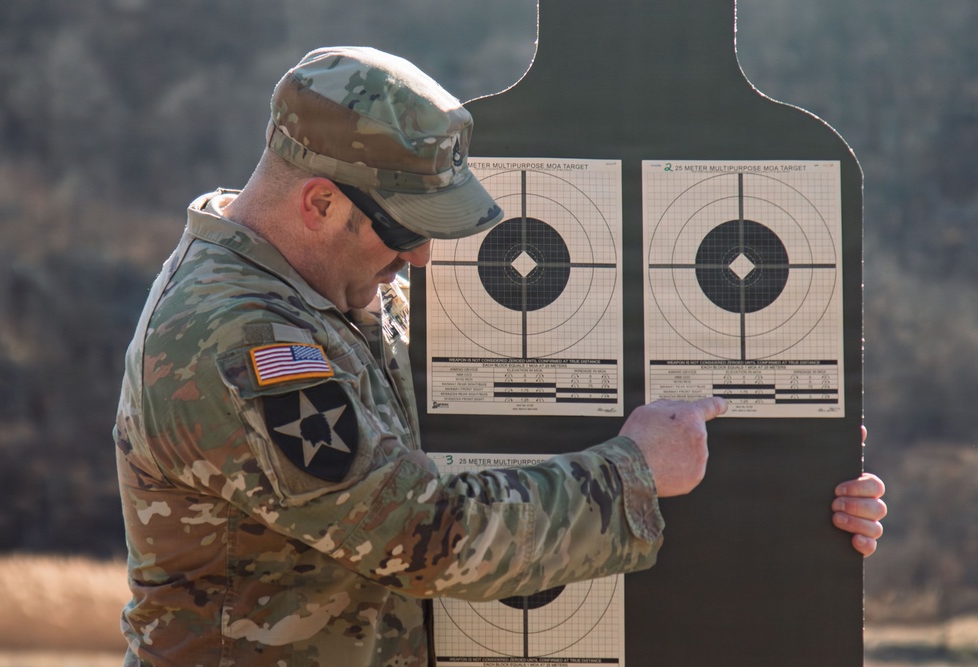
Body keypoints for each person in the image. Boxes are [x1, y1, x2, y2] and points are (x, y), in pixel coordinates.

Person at [114, 46, 886, 666]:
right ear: (318, 203)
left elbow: (487, 420)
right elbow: (420, 534)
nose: (418, 259)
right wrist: (635, 473)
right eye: (403, 229)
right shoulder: (236, 337)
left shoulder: (328, 280)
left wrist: (790, 472)